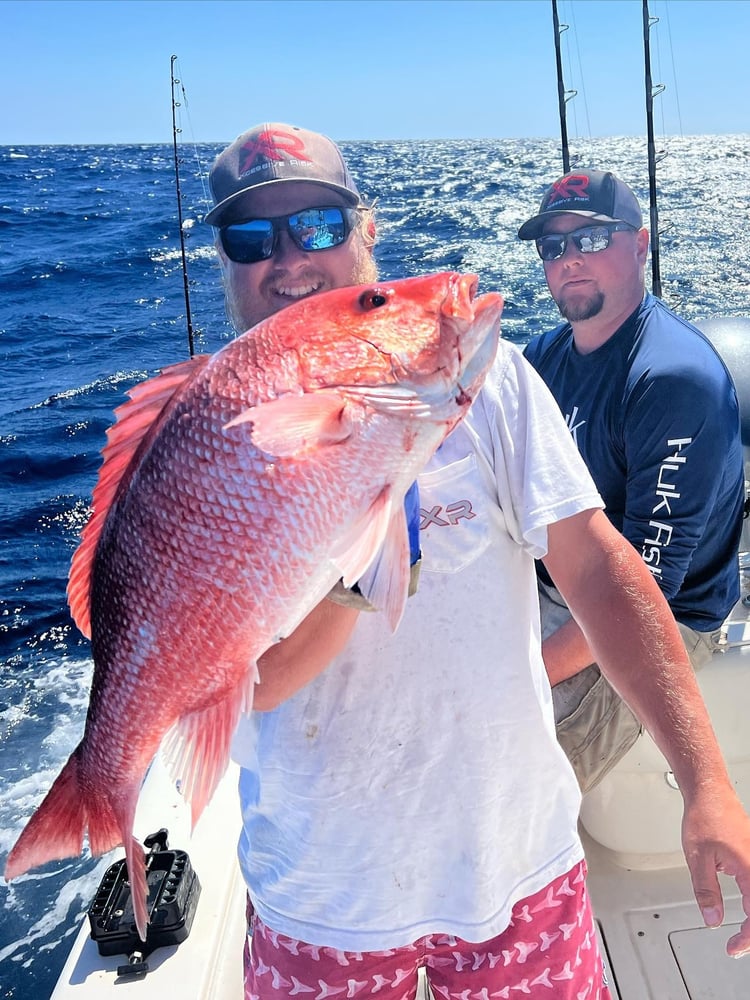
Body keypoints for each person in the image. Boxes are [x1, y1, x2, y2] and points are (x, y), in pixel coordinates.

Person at [205, 125, 750, 1000]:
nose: (287, 259)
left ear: (367, 234)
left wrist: (707, 783)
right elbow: (253, 682)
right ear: (224, 260)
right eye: (250, 238)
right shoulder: (208, 437)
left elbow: (600, 567)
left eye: (317, 227)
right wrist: (360, 554)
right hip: (323, 898)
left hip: (520, 871)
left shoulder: (486, 380)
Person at [519, 169, 745, 793]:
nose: (569, 260)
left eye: (591, 239)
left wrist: (524, 673)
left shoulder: (672, 380)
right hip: (557, 577)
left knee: (510, 777)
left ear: (641, 245)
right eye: (553, 246)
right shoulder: (544, 356)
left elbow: (642, 591)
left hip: (660, 614)